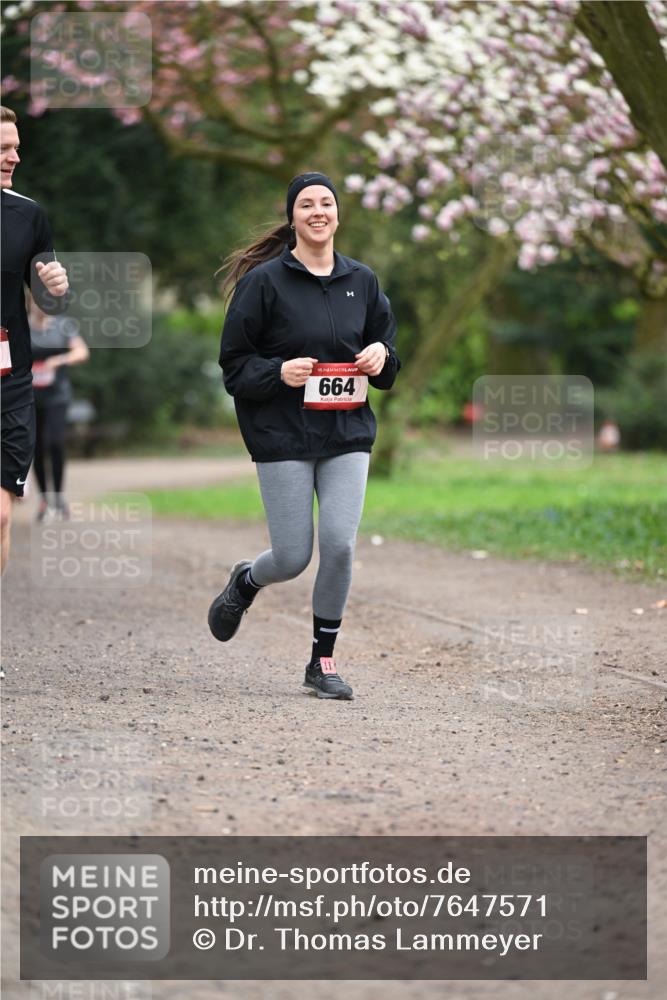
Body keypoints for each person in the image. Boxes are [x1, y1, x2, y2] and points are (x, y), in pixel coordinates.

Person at [208, 171, 400, 700]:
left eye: (327, 203)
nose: (318, 211)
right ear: (292, 216)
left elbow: (387, 359)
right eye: (307, 204)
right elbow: (234, 366)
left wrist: (382, 356)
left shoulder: (363, 280)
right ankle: (246, 581)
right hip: (283, 435)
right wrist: (278, 374)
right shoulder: (265, 283)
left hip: (346, 433)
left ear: (338, 214)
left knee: (338, 546)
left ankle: (322, 661)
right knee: (292, 557)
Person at [1, 105, 69, 573]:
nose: (15, 157)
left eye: (17, 147)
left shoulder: (28, 215)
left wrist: (57, 288)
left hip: (8, 381)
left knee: (1, 513)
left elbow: (48, 299)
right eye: (4, 148)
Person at [30, 303, 89, 520]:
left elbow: (82, 351)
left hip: (57, 396)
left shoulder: (63, 325)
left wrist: (59, 359)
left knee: (55, 442)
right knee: (36, 446)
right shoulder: (21, 326)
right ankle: (45, 500)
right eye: (38, 300)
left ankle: (58, 496)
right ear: (30, 301)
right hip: (29, 398)